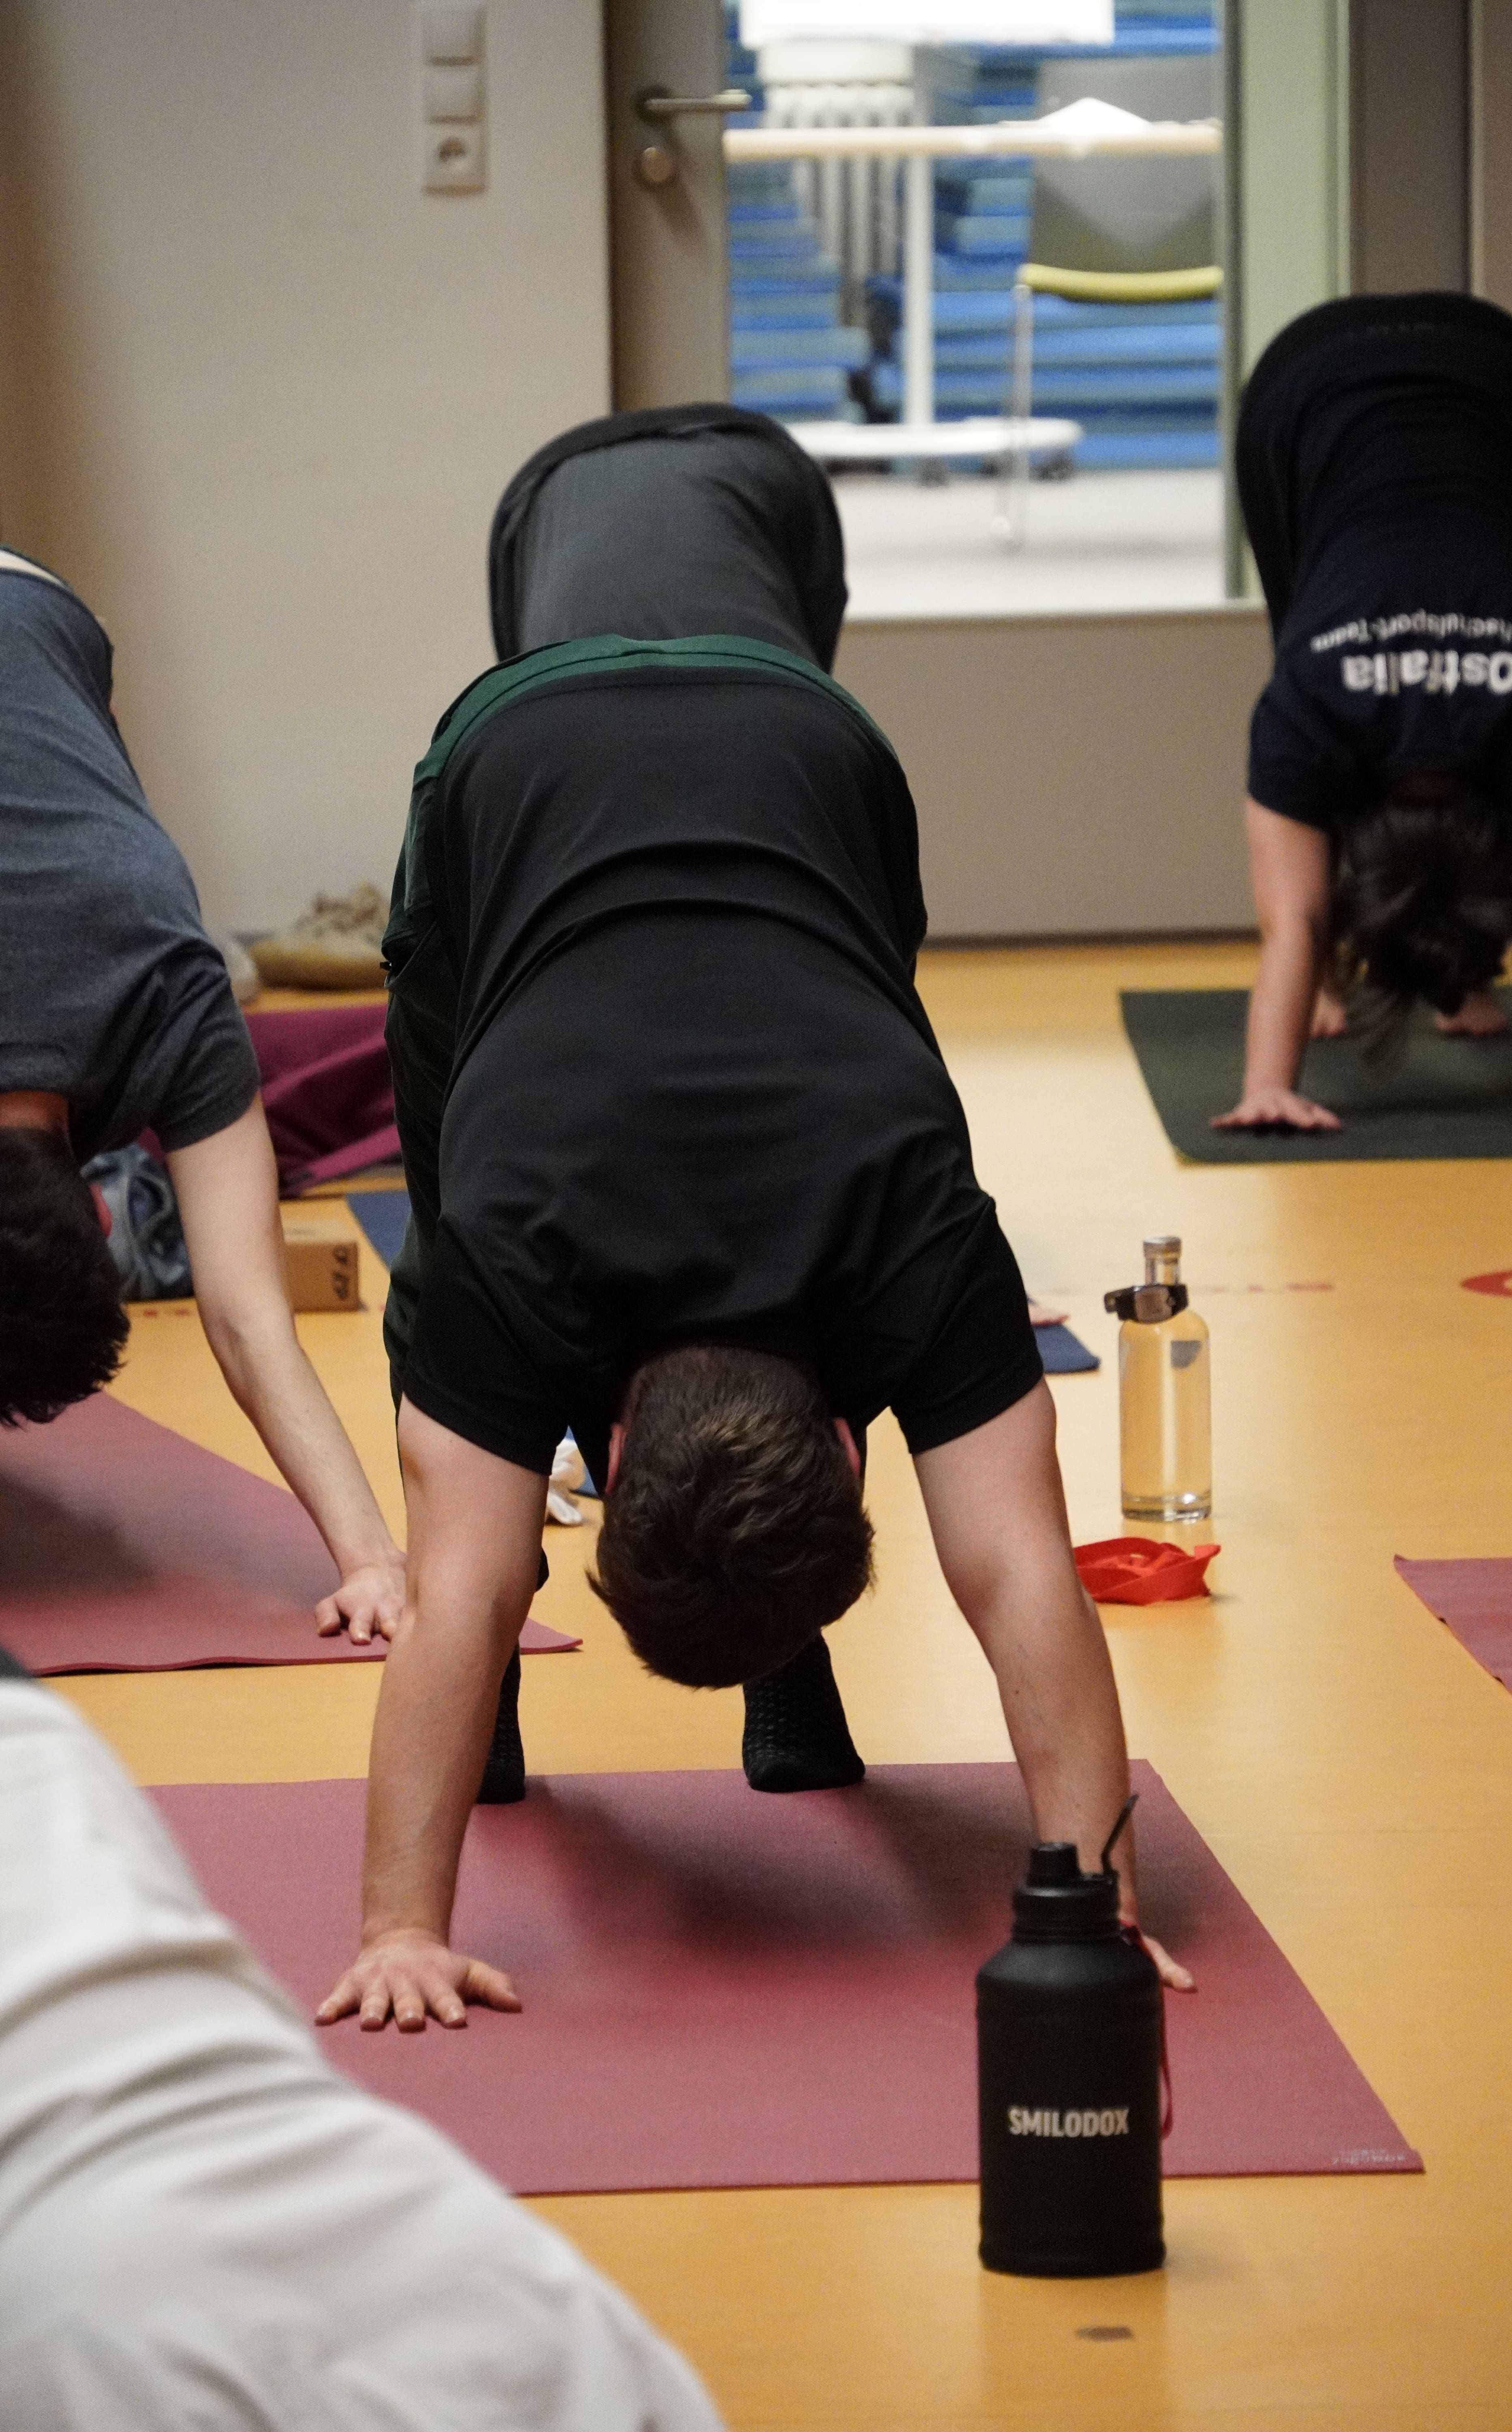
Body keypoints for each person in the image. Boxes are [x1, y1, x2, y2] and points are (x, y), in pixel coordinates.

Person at [318, 406, 1189, 2033]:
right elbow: (1018, 1575)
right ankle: (654, 1675)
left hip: (725, 741)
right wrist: (1096, 1914)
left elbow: (460, 1593)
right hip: (652, 747)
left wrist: (401, 1934)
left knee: (454, 1361)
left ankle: (715, 1652)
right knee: (445, 1262)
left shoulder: (890, 1229)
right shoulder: (885, 1237)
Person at [0, 1646, 722, 2431]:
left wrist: (405, 1932)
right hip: (413, 2256)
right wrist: (403, 1930)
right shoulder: (579, 2350)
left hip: (106, 2288)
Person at [0, 548, 403, 1637]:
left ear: (101, 1212)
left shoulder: (170, 987)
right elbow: (248, 1314)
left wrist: (377, 1557)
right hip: (33, 605)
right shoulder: (172, 996)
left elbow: (242, 1315)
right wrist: (369, 1560)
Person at [1215, 293, 1512, 1136]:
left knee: (1308, 631)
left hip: (1483, 368)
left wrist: (1269, 1085)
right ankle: (1436, 984)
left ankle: (1428, 982)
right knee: (1306, 629)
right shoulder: (1317, 716)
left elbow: (1294, 919)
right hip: (1369, 381)